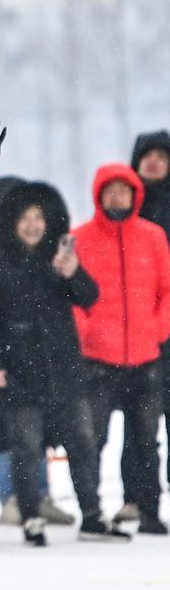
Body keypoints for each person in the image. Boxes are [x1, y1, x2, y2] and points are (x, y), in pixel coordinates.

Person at [0, 181, 128, 545]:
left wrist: (73, 272)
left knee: (83, 444)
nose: (32, 225)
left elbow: (89, 297)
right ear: (12, 223)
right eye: (25, 218)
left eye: (38, 217)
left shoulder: (57, 261)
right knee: (27, 448)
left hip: (64, 370)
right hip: (20, 374)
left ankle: (92, 516)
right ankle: (32, 517)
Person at [73, 164, 170, 535]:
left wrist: (157, 330)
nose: (117, 198)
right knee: (92, 440)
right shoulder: (79, 238)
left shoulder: (153, 236)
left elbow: (166, 289)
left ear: (135, 195)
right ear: (99, 195)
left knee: (146, 441)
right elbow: (72, 295)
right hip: (97, 359)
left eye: (124, 191)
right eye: (110, 191)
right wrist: (85, 334)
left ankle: (149, 511)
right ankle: (92, 512)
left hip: (145, 357)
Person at [129, 130, 170, 504]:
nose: (154, 162)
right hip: (136, 329)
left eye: (162, 156)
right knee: (138, 421)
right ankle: (138, 497)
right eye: (148, 155)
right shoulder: (123, 207)